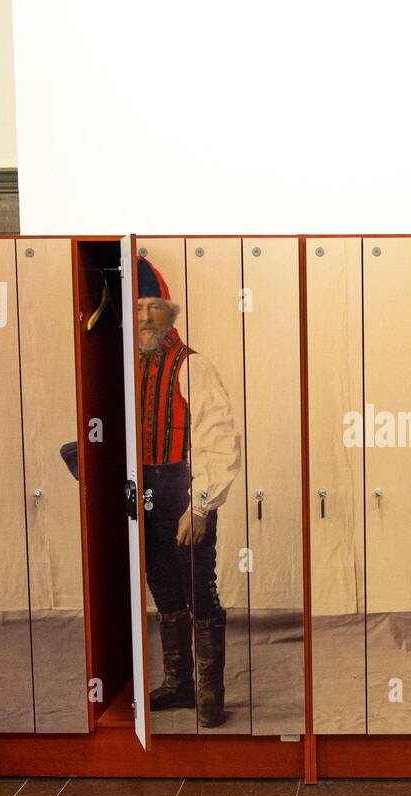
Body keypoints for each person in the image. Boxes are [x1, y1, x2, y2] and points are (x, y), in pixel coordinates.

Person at [135, 255, 241, 727]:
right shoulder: (128, 367)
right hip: (147, 493)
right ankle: (178, 683)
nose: (143, 316)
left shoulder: (192, 367)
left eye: (152, 307)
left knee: (199, 588)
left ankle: (209, 691)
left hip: (185, 487)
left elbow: (219, 438)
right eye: (137, 307)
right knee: (163, 588)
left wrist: (200, 507)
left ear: (169, 314)